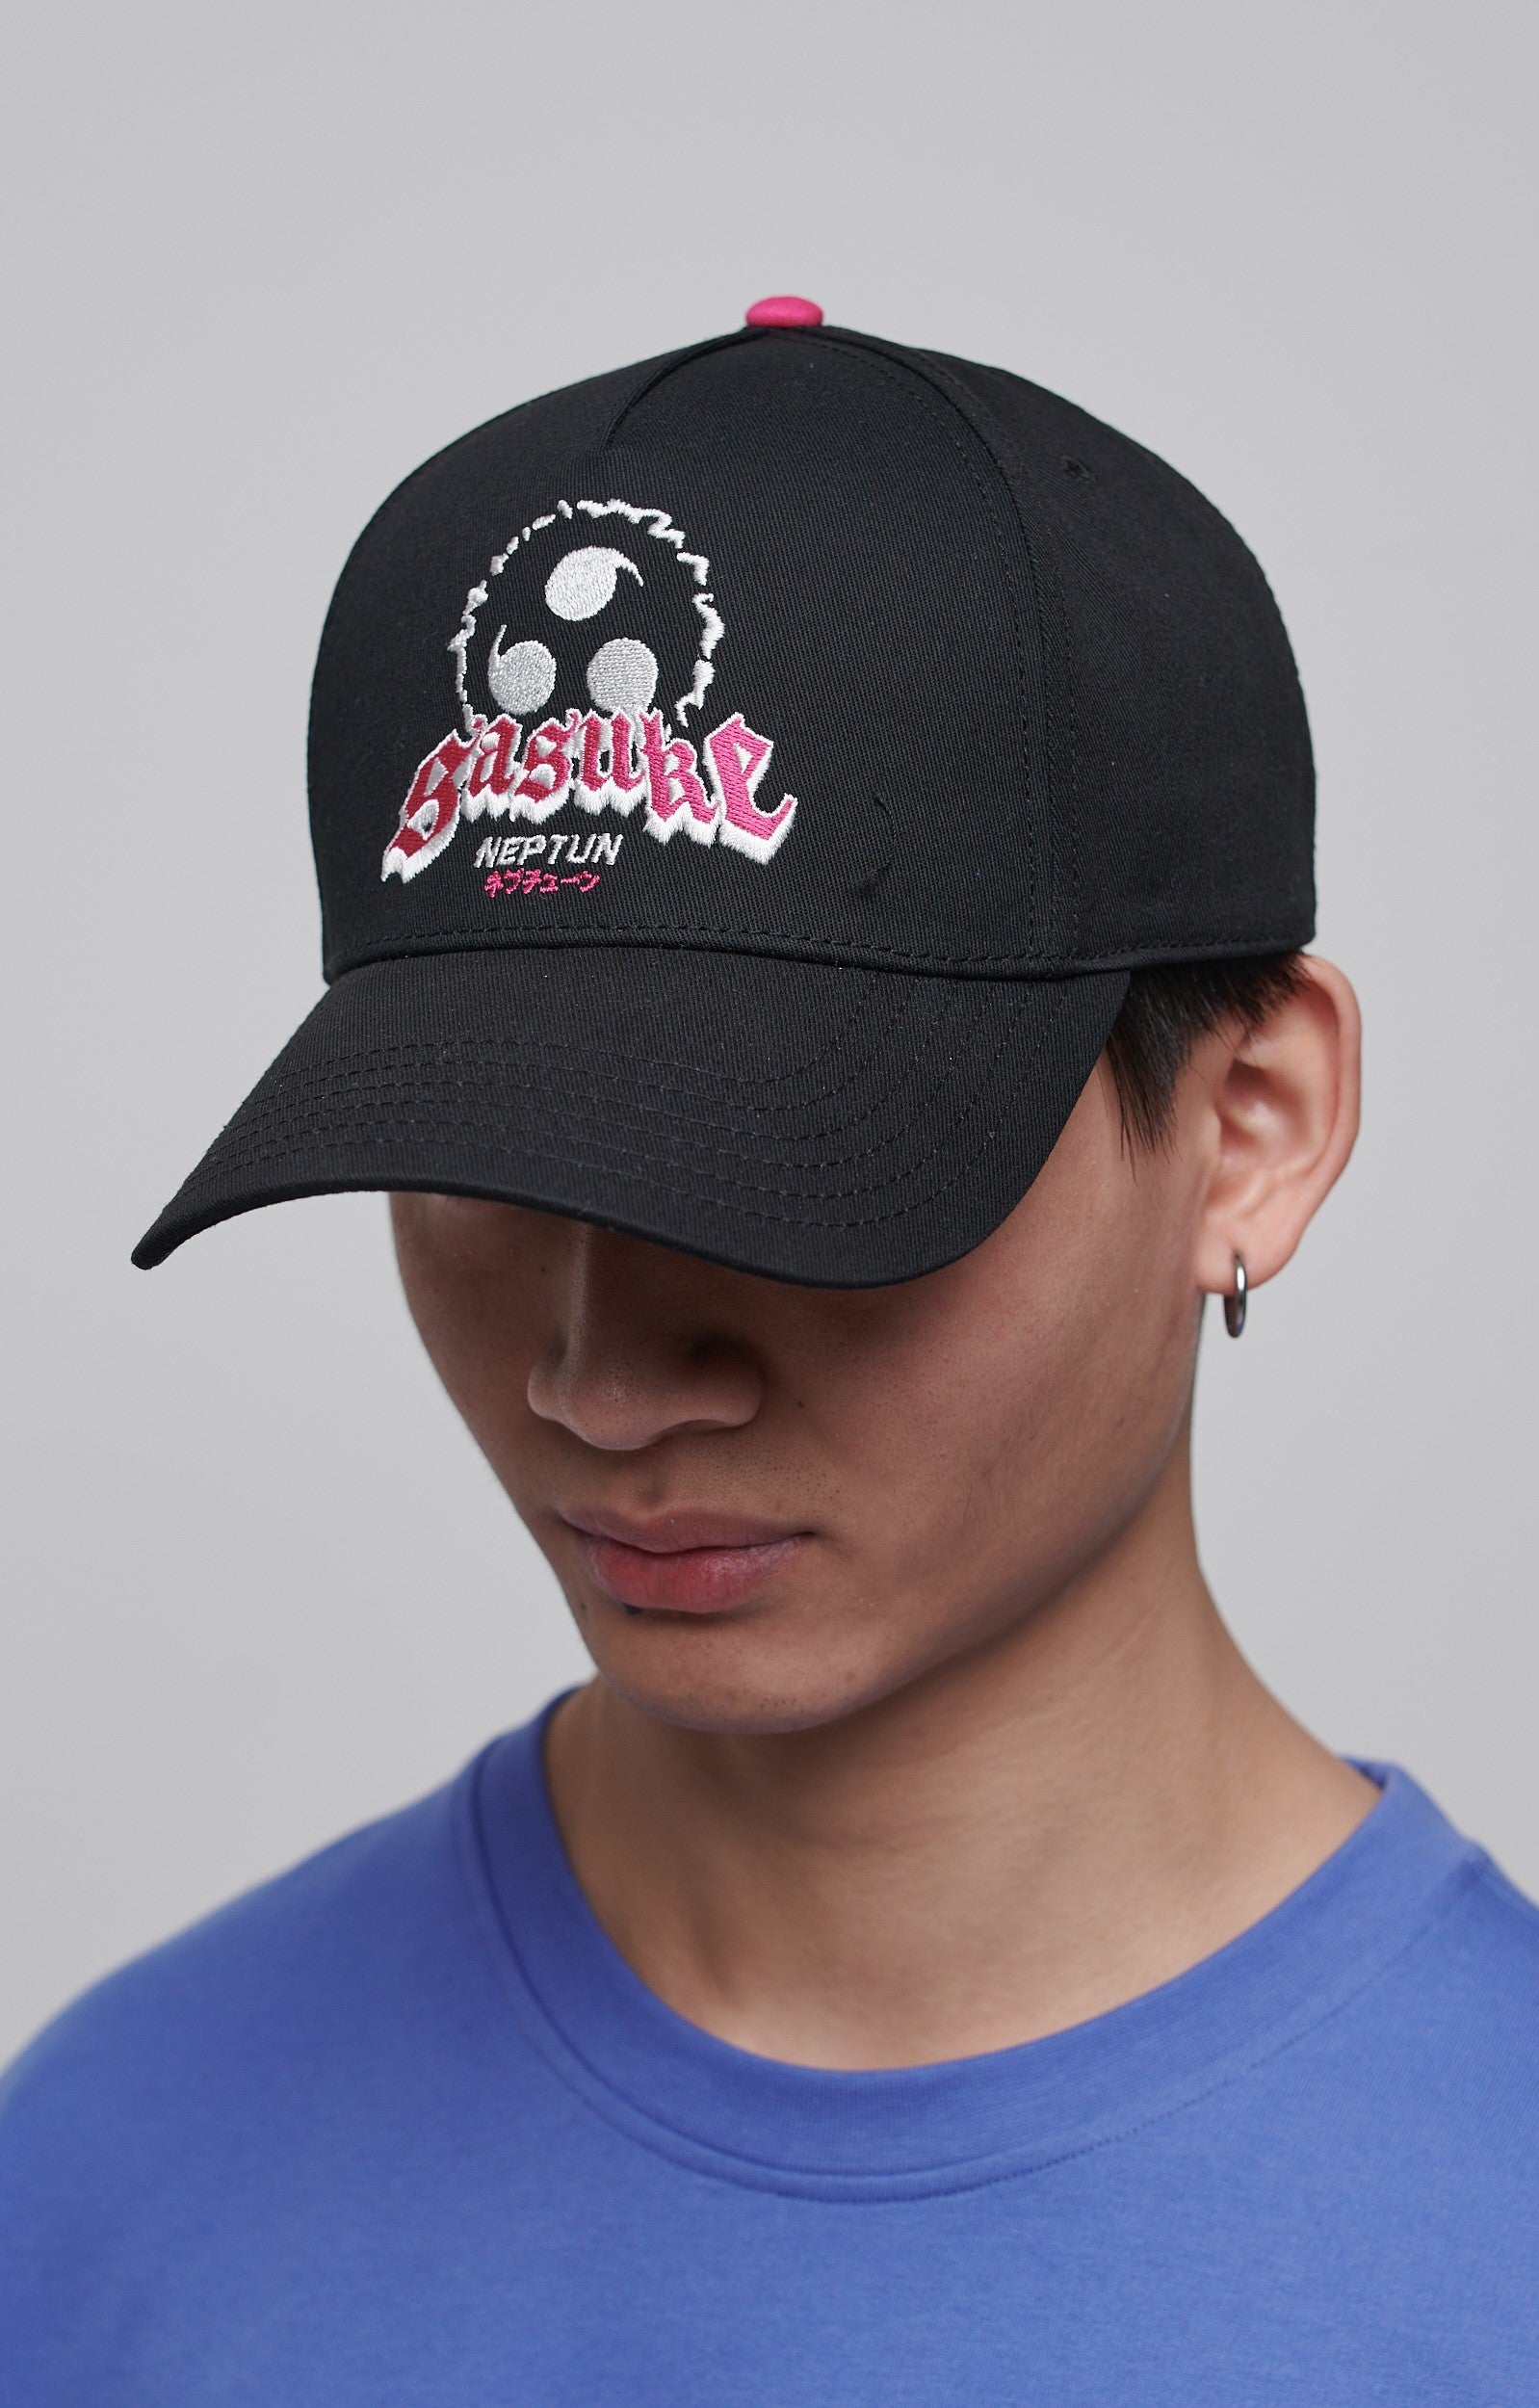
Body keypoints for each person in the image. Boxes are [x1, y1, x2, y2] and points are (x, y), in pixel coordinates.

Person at [3, 298, 1534, 2404]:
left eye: (799, 1182)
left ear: (1248, 1128)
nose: (598, 1379)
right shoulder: (104, 2171)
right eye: (478, 1165)